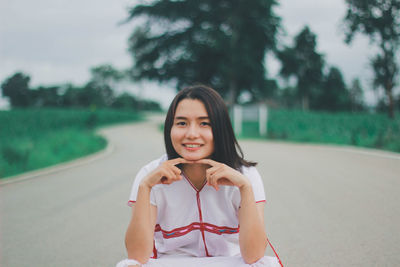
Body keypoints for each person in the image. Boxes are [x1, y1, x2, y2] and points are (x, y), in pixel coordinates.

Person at [117, 85, 282, 267]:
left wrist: (245, 188)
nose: (192, 134)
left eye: (204, 123)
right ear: (169, 129)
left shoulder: (245, 175)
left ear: (221, 129)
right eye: (181, 123)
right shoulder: (150, 175)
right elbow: (136, 255)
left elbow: (254, 256)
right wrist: (144, 187)